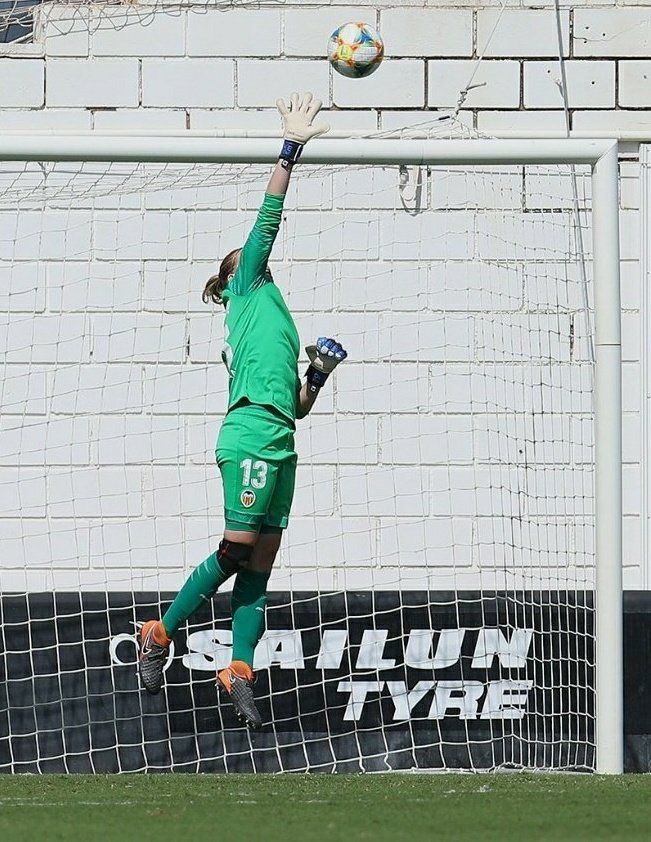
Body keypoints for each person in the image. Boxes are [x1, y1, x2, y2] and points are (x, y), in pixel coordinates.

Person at [137, 92, 347, 729]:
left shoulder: (278, 320)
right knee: (235, 549)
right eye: (240, 257)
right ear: (232, 278)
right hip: (252, 431)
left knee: (262, 559)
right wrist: (291, 147)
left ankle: (240, 667)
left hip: (281, 434)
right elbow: (267, 221)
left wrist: (316, 374)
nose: (250, 254)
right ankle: (160, 633)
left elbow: (301, 409)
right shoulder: (248, 285)